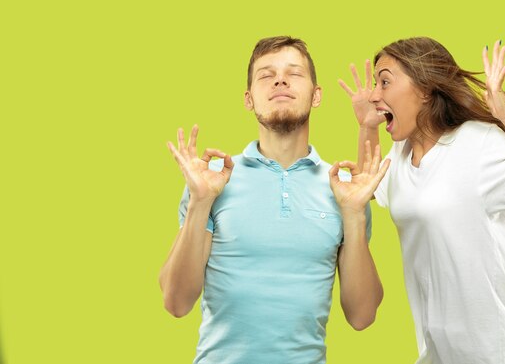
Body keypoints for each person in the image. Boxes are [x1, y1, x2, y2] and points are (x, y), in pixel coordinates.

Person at [339, 37, 505, 364]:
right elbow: (367, 188)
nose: (375, 94)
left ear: (424, 89)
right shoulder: (401, 155)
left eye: (385, 82)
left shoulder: (478, 144)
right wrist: (367, 126)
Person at [159, 36, 389, 364]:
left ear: (317, 95)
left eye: (294, 73)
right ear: (249, 99)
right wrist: (199, 202)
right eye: (266, 75)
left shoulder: (344, 189)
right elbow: (176, 303)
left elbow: (362, 315)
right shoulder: (211, 181)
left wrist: (354, 214)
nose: (280, 79)